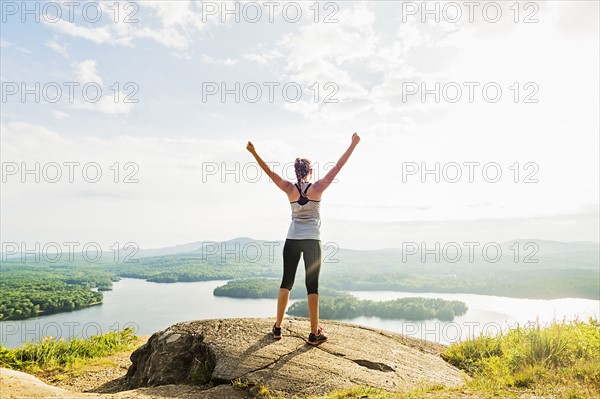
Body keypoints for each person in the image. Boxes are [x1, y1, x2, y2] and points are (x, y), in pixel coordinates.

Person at [246, 132, 361, 345]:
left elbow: (269, 172)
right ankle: (313, 333)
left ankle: (278, 327)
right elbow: (338, 166)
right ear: (310, 171)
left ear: (295, 171)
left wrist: (254, 152)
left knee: (286, 282)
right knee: (312, 286)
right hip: (312, 242)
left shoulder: (289, 188)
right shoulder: (318, 187)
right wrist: (353, 144)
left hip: (292, 240)